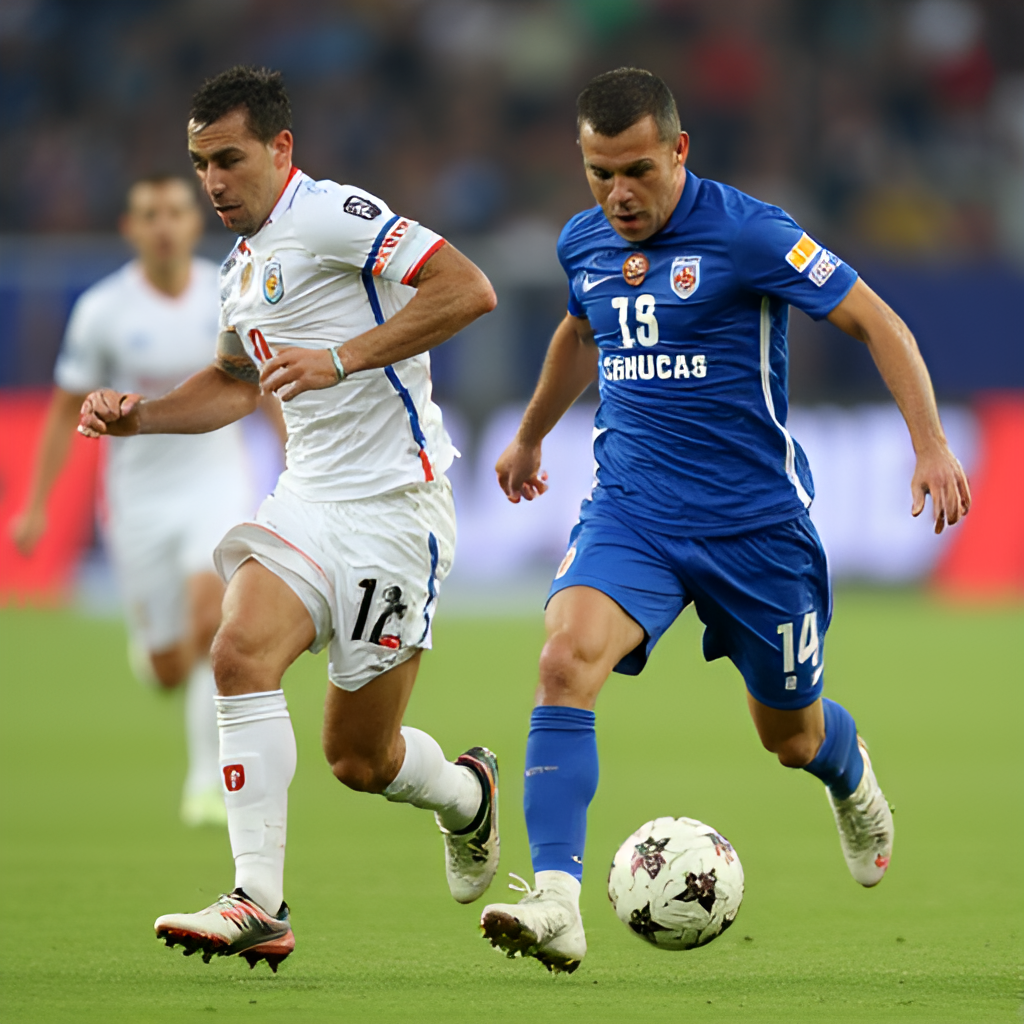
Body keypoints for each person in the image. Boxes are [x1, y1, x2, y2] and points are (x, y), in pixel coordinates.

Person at [483, 67, 971, 974]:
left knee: (787, 736)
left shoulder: (750, 232)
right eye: (599, 173)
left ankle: (848, 769)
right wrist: (528, 439)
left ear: (679, 151)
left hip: (755, 531)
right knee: (562, 661)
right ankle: (555, 899)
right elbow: (579, 331)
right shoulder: (583, 241)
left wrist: (931, 444)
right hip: (633, 510)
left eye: (637, 170)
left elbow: (876, 321)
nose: (618, 194)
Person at [76, 65, 500, 972]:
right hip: (308, 501)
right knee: (236, 652)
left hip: (396, 507)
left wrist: (341, 358)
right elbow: (233, 385)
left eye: (228, 160)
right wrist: (139, 415)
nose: (213, 183)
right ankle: (258, 902)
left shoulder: (333, 215)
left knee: (361, 757)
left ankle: (468, 796)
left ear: (280, 149)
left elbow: (468, 290)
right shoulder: (242, 265)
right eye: (199, 166)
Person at [10, 174, 262, 827]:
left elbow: (265, 386)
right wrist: (36, 505)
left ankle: (206, 783)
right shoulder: (103, 310)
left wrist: (299, 457)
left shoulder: (227, 288)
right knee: (169, 667)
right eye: (150, 214)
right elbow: (67, 407)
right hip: (140, 500)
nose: (164, 225)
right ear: (131, 228)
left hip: (215, 483)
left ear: (192, 221)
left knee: (216, 624)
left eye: (175, 211)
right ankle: (154, 650)